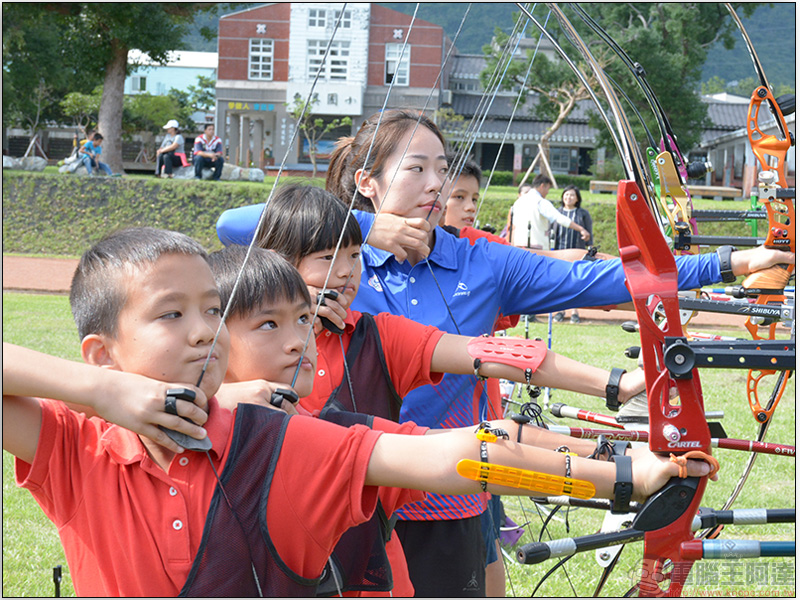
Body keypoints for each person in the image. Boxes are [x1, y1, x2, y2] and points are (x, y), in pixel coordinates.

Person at [214, 109, 793, 597]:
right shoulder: (336, 255)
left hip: (446, 486)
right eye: (415, 168)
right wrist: (364, 230)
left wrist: (731, 264)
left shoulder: (478, 261)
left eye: (441, 168)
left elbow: (593, 288)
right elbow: (232, 225)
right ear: (368, 181)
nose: (434, 182)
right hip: (347, 492)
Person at [3, 226, 718, 597]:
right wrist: (100, 394)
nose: (203, 332)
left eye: (213, 312)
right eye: (172, 314)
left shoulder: (283, 438)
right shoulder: (75, 446)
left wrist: (625, 475)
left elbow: (458, 454)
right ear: (101, 353)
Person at [506, 175, 591, 249]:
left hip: (517, 245)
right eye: (548, 188)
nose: (547, 192)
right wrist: (581, 229)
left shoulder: (518, 202)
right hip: (536, 247)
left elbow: (513, 227)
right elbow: (560, 218)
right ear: (543, 186)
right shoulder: (540, 202)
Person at [552, 185, 594, 323]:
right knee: (560, 282)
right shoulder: (556, 213)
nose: (568, 197)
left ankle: (575, 312)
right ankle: (560, 310)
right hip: (560, 253)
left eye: (572, 195)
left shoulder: (582, 214)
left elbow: (589, 234)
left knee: (576, 282)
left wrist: (590, 248)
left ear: (577, 199)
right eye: (566, 194)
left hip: (578, 253)